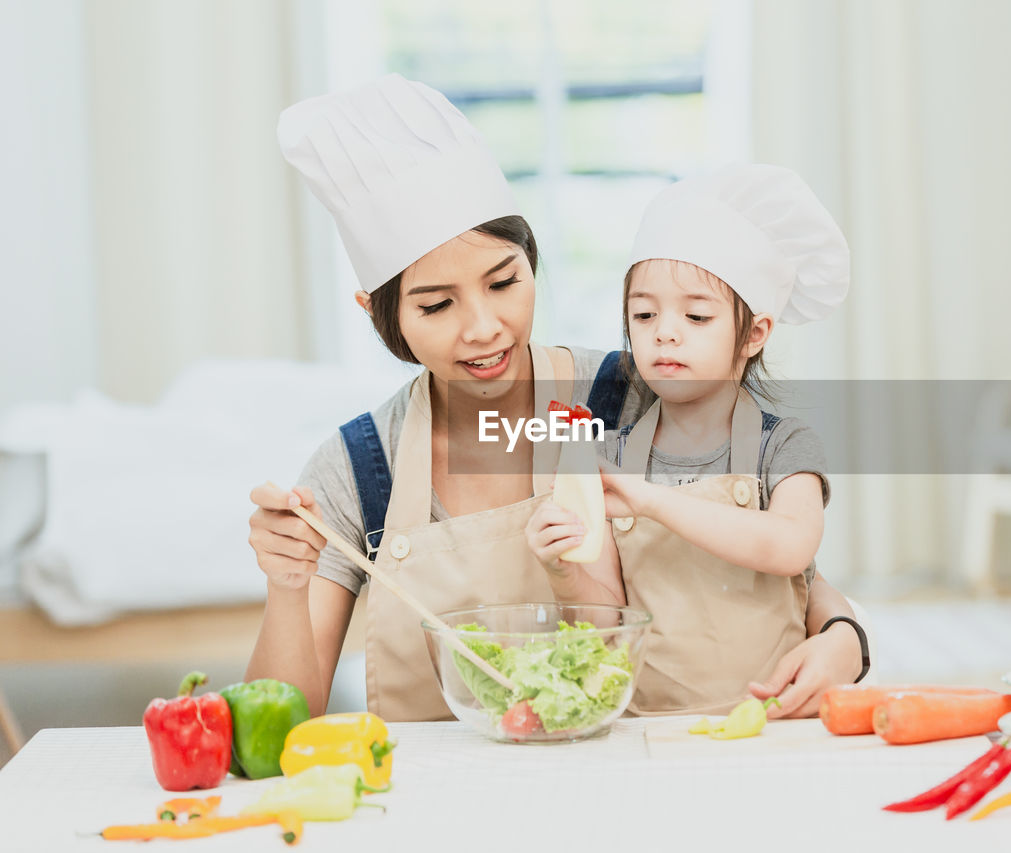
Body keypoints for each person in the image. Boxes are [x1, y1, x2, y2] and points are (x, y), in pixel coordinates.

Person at [245, 75, 867, 721]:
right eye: (436, 304)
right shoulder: (358, 469)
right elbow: (284, 716)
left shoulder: (635, 395)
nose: (484, 326)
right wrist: (286, 588)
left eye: (504, 280)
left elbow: (785, 575)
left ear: (532, 263)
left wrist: (846, 641)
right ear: (381, 313)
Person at [527, 165, 866, 714]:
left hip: (771, 723)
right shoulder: (612, 454)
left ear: (754, 333)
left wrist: (650, 499)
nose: (665, 330)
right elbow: (607, 624)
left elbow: (789, 547)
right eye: (643, 313)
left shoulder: (785, 446)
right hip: (647, 732)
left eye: (696, 315)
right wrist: (564, 570)